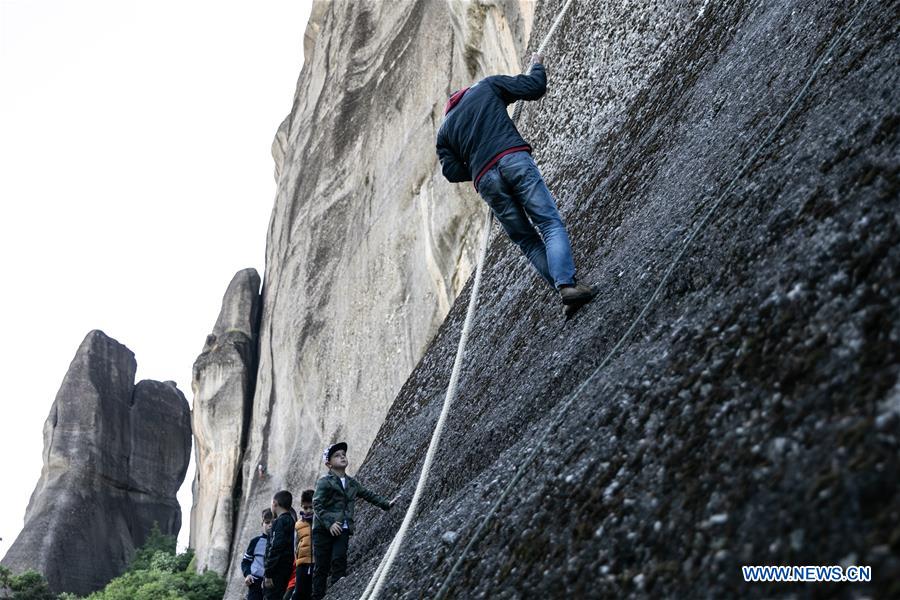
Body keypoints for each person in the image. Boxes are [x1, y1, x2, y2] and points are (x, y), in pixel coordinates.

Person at [436, 53, 598, 318]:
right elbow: (534, 87)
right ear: (464, 92)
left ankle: (564, 289)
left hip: (486, 181)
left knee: (527, 240)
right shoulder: (485, 87)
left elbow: (451, 171)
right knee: (548, 222)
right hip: (513, 159)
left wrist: (478, 166)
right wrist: (537, 65)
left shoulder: (444, 131)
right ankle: (567, 285)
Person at [312, 442, 395, 600]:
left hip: (343, 528)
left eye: (343, 454)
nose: (342, 456)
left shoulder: (351, 483)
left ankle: (337, 594)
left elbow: (368, 495)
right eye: (337, 455)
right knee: (321, 567)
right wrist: (329, 523)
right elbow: (317, 504)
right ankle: (318, 596)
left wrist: (386, 504)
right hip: (322, 530)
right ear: (329, 464)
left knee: (339, 559)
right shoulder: (324, 482)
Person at [264, 490, 297, 599]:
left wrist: (268, 573)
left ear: (274, 503)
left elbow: (275, 547)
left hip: (276, 571)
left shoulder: (279, 522)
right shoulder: (292, 521)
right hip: (287, 568)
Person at [240, 508, 273, 600]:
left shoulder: (279, 542)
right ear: (262, 524)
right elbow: (245, 561)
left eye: (273, 522)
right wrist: (247, 574)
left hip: (271, 583)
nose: (270, 525)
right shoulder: (255, 542)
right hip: (255, 582)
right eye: (267, 522)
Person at [292, 489, 315, 600]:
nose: (308, 510)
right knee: (300, 592)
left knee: (312, 592)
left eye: (311, 507)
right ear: (301, 506)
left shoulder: (320, 521)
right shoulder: (298, 525)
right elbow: (295, 545)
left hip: (316, 562)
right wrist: (297, 560)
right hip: (302, 564)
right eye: (305, 508)